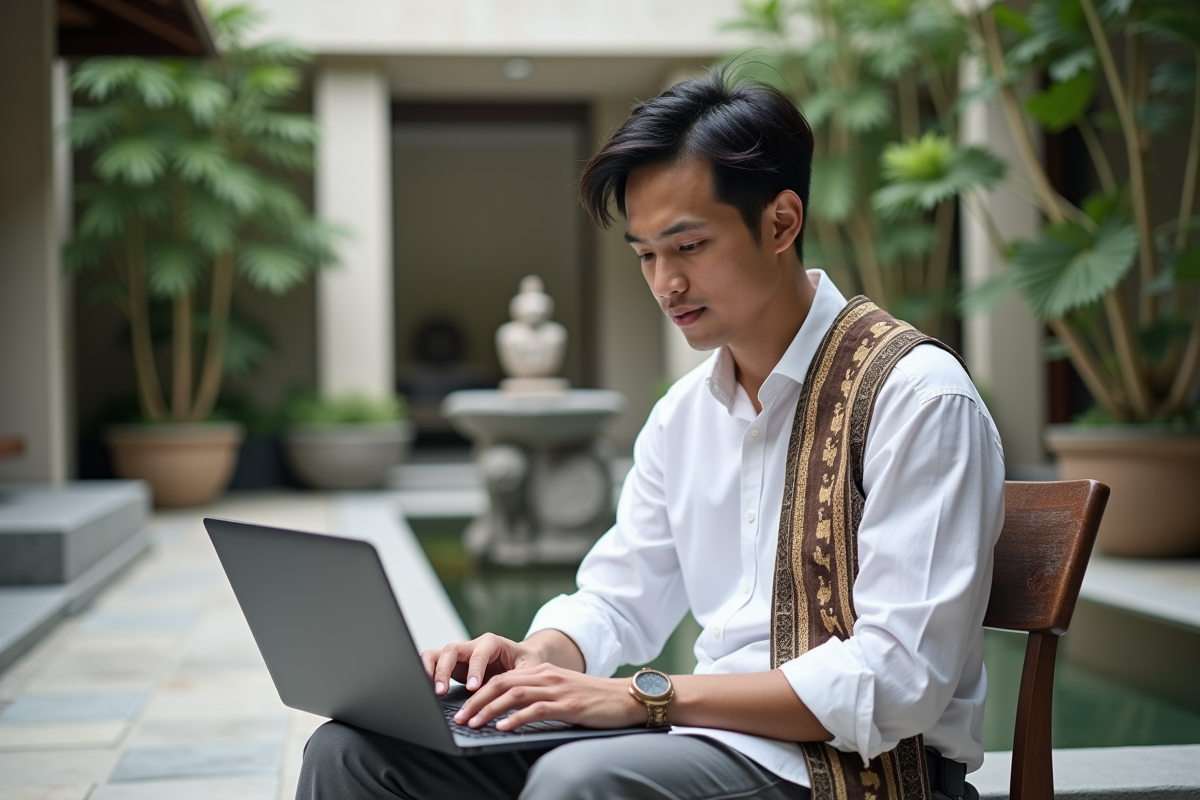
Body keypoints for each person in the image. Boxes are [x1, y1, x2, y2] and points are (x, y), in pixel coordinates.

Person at [297, 69, 1005, 800]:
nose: (666, 283)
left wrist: (646, 698)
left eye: (688, 246)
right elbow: (618, 598)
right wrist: (536, 657)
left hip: (859, 769)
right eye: (645, 255)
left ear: (781, 223)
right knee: (354, 753)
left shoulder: (916, 397)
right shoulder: (684, 414)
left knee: (580, 782)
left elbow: (898, 681)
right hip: (699, 740)